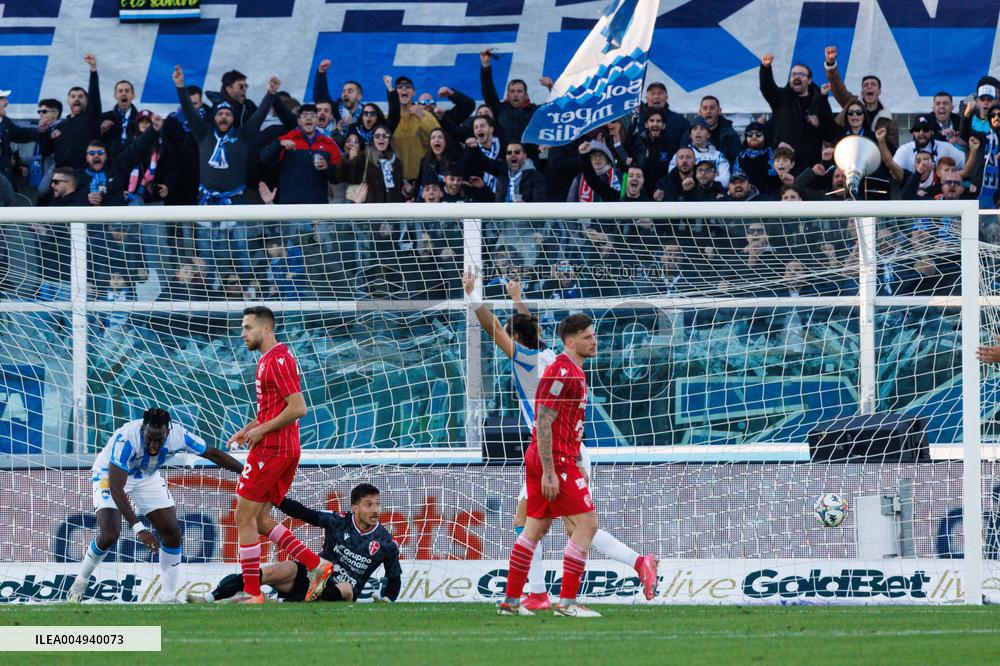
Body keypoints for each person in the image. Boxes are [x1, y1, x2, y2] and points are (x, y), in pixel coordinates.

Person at [463, 273, 657, 611]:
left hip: (558, 450)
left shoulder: (526, 361)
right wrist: (517, 299)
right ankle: (537, 593)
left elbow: (496, 330)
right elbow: (529, 330)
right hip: (555, 449)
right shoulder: (553, 356)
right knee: (538, 523)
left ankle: (628, 565)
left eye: (514, 336)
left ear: (517, 339)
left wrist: (474, 298)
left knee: (574, 526)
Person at [66, 408, 243, 603]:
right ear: (143, 429)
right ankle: (80, 583)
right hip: (110, 475)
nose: (153, 444)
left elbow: (214, 454)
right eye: (150, 438)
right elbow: (117, 488)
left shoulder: (180, 435)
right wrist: (139, 528)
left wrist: (245, 472)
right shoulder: (127, 439)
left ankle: (167, 596)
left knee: (172, 532)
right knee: (110, 534)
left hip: (146, 476)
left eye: (159, 440)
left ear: (168, 431)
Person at [496, 313, 604, 617]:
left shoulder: (573, 371)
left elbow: (569, 425)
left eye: (593, 335)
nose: (593, 341)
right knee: (587, 525)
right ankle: (567, 603)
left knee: (534, 528)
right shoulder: (562, 372)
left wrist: (578, 458)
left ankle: (511, 602)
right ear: (570, 341)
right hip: (553, 458)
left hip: (559, 456)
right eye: (587, 337)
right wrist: (550, 470)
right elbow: (543, 421)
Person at [226, 306, 333, 604]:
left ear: (266, 328)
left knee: (242, 516)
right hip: (277, 448)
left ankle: (252, 593)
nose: (243, 333)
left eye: (248, 327)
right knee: (258, 519)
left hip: (274, 450)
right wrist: (248, 429)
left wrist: (261, 433)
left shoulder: (279, 359)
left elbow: (298, 408)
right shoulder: (267, 360)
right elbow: (271, 411)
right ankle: (316, 564)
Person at [190, 483, 401, 604]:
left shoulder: (386, 542)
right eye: (369, 505)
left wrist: (387, 599)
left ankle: (280, 602)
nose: (375, 510)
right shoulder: (339, 521)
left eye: (378, 504)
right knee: (273, 571)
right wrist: (276, 498)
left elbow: (394, 579)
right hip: (314, 574)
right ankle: (210, 597)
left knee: (346, 588)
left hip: (339, 589)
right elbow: (305, 514)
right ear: (355, 508)